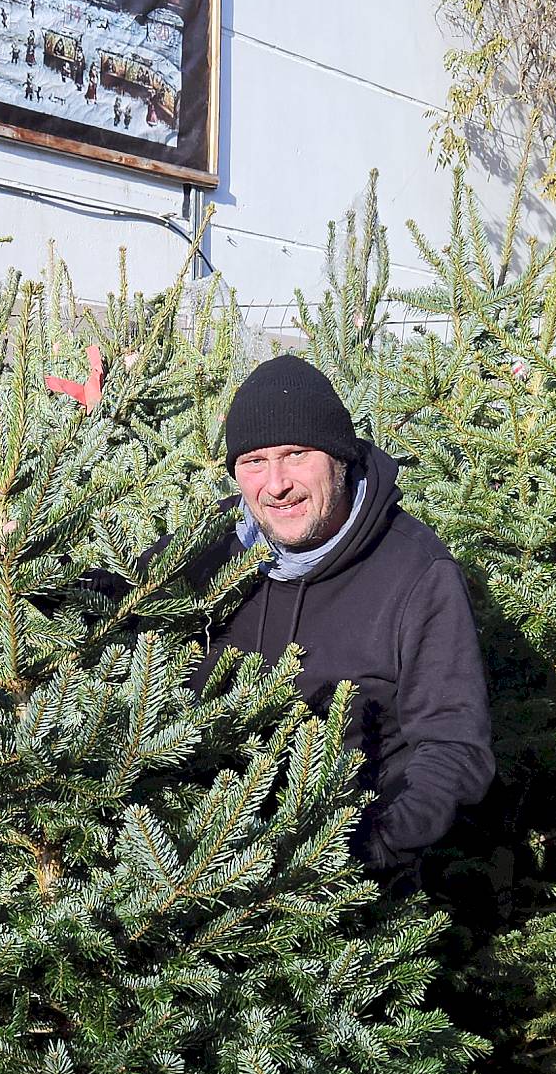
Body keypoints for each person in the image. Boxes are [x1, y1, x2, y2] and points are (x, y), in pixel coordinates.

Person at [174, 355, 494, 876]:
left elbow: (453, 748)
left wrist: (367, 848)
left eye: (296, 454)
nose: (275, 484)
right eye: (254, 462)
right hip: (187, 870)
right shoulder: (214, 548)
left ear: (340, 458)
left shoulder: (417, 573)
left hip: (340, 886)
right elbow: (121, 598)